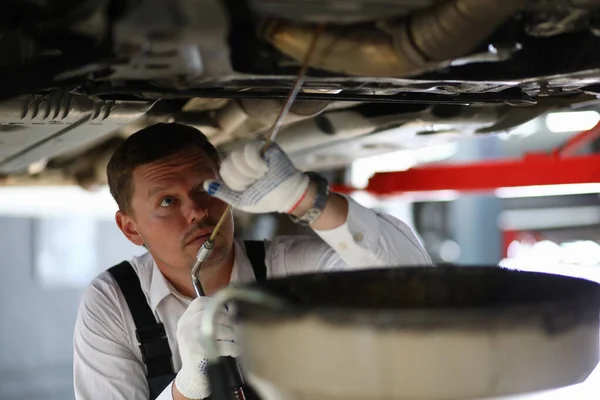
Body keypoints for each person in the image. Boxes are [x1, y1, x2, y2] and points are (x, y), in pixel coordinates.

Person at [73, 122, 432, 400]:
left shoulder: (288, 268)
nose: (197, 211)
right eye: (168, 201)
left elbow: (417, 290)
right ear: (131, 229)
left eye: (205, 189)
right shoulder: (115, 303)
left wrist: (306, 199)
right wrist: (186, 387)